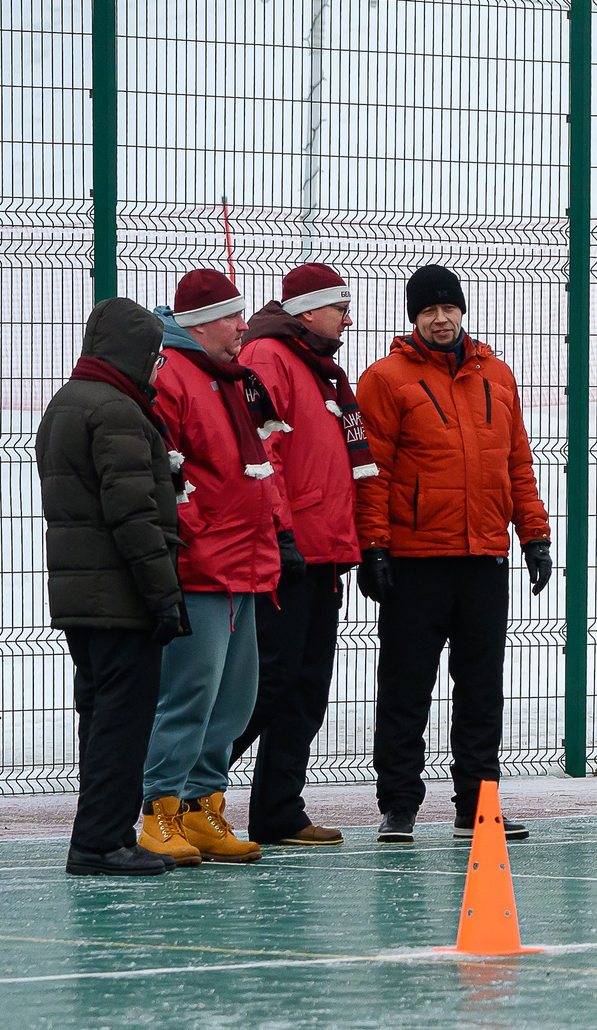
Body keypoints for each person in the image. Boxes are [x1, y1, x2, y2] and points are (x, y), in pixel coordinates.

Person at [356, 265, 552, 843]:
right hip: (416, 558)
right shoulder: (385, 380)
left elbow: (516, 462)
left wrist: (533, 535)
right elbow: (373, 472)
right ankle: (398, 805)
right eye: (428, 311)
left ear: (462, 312)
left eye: (449, 309)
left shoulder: (497, 375)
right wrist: (375, 546)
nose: (441, 320)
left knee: (481, 686)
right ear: (413, 317)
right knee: (405, 685)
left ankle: (478, 801)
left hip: (484, 555)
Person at [38, 299, 186, 876]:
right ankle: (102, 842)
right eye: (154, 355)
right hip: (122, 597)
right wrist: (163, 596)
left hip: (85, 597)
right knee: (122, 724)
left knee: (100, 720)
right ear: (133, 353)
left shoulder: (68, 403)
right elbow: (134, 516)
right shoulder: (118, 411)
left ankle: (101, 834)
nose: (157, 368)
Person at [145, 268, 285, 866]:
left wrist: (276, 532)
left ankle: (203, 804)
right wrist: (196, 536)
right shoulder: (171, 377)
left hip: (247, 565)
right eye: (232, 317)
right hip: (204, 566)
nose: (242, 326)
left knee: (236, 696)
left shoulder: (237, 380)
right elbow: (166, 471)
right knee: (191, 692)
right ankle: (159, 810)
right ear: (201, 323)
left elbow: (263, 461)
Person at [232, 263, 366, 847]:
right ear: (308, 310)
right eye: (338, 307)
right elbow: (267, 454)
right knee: (270, 684)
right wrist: (283, 534)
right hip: (292, 554)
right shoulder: (270, 358)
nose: (347, 317)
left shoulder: (324, 372)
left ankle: (279, 810)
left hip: (324, 552)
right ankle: (181, 791)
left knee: (306, 687)